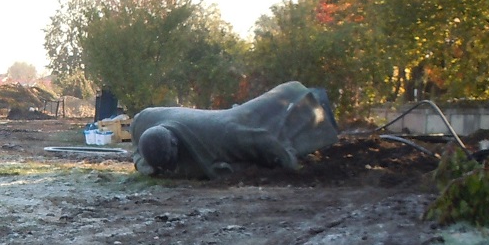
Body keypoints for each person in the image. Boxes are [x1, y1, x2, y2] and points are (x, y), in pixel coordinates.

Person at [131, 81, 338, 178]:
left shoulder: (223, 135)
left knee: (278, 123)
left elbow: (264, 140)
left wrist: (290, 164)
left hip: (284, 104)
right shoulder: (143, 120)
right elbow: (139, 154)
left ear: (176, 144)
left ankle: (317, 107)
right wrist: (147, 165)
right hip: (217, 124)